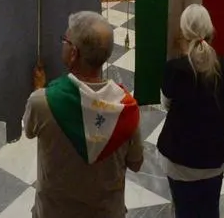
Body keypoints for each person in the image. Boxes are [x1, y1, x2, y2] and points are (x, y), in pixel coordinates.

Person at [24, 11, 143, 218]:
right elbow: (136, 163)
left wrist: (39, 90)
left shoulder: (42, 102)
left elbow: (29, 130)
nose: (62, 43)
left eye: (65, 40)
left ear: (73, 53)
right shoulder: (127, 109)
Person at [158, 5, 224, 217]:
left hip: (179, 155)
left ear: (183, 32)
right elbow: (223, 105)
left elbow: (167, 104)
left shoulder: (174, 68)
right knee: (210, 210)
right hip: (214, 154)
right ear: (210, 31)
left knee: (183, 209)